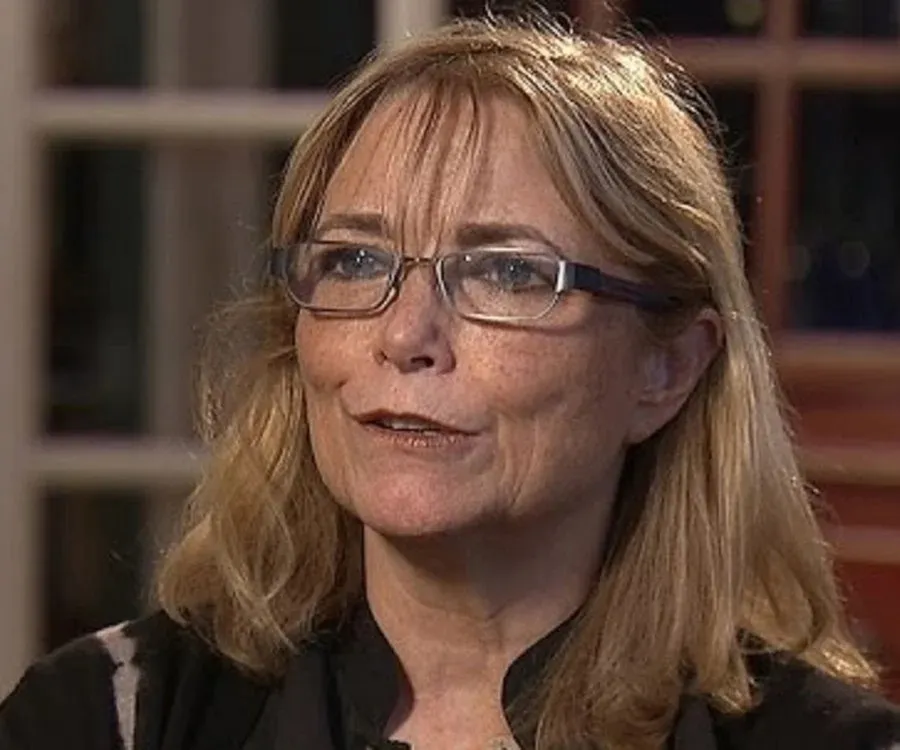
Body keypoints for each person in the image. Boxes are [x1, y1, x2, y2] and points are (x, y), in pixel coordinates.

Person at [2, 13, 899, 750]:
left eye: (507, 272)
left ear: (667, 368)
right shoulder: (107, 718)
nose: (405, 336)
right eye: (355, 260)